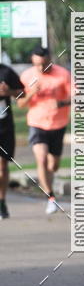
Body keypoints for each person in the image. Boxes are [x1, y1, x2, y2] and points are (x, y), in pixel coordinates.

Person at [17, 46, 71, 215]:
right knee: (41, 159)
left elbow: (76, 96)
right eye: (37, 65)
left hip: (58, 123)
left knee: (53, 165)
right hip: (37, 123)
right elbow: (20, 104)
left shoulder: (63, 74)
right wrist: (31, 93)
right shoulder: (27, 76)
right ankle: (51, 198)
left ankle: (50, 185)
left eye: (44, 64)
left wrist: (61, 103)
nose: (41, 68)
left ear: (50, 60)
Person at [0, 59, 25, 219]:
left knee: (2, 168)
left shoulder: (6, 72)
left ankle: (1, 202)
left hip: (4, 127)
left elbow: (23, 93)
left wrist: (9, 92)